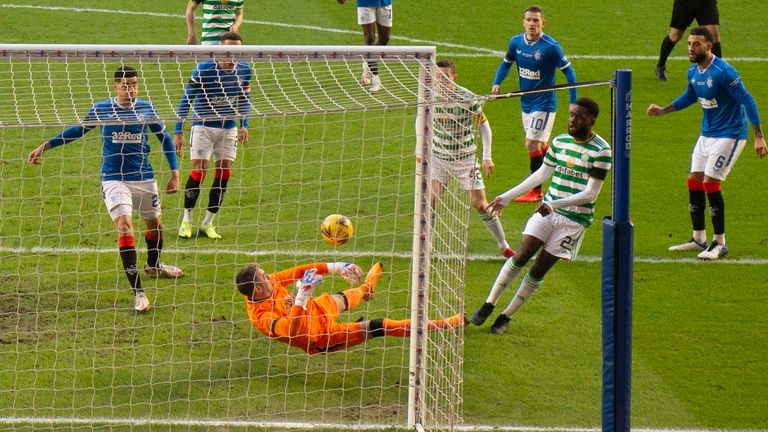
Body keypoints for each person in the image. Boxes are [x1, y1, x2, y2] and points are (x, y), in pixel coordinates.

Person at [27, 66, 184, 312]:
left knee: (155, 225)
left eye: (134, 84)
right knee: (124, 227)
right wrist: (45, 146)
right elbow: (78, 131)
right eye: (126, 85)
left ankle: (154, 265)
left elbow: (164, 140)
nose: (130, 89)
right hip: (113, 179)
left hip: (144, 177)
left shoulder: (147, 108)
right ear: (116, 86)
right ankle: (139, 292)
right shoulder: (102, 109)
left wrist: (175, 173)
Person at [469, 97, 610, 334]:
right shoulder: (560, 141)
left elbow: (591, 193)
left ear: (592, 120)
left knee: (538, 269)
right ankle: (489, 303)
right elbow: (541, 175)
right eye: (571, 115)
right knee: (522, 254)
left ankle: (506, 316)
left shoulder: (601, 151)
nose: (573, 120)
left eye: (579, 117)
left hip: (574, 220)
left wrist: (554, 204)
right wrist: (507, 196)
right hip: (547, 211)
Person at [647, 27, 766, 260]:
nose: (691, 48)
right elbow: (690, 96)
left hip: (730, 134)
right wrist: (664, 110)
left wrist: (759, 136)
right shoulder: (693, 71)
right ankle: (698, 238)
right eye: (689, 43)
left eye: (696, 44)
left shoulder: (724, 72)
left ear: (709, 46)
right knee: (694, 181)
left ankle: (720, 243)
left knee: (711, 183)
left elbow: (747, 99)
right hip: (707, 134)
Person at [236, 262, 466, 354]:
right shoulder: (261, 317)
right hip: (319, 337)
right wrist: (301, 297)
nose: (270, 276)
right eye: (264, 276)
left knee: (345, 297)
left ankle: (367, 287)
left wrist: (337, 267)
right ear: (257, 290)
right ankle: (446, 324)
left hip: (316, 309)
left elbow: (298, 271)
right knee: (378, 326)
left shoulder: (271, 283)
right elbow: (293, 330)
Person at [491, 4, 577, 203]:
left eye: (536, 20)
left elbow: (569, 72)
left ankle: (536, 190)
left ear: (543, 23)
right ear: (524, 22)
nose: (532, 24)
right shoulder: (515, 43)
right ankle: (564, 162)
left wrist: (573, 103)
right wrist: (497, 83)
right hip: (526, 103)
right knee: (540, 145)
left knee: (531, 144)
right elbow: (506, 63)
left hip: (544, 104)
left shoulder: (551, 47)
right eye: (529, 20)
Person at [430, 59, 514, 258]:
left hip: (465, 159)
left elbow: (484, 125)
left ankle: (504, 245)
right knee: (430, 199)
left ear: (454, 77)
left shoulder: (466, 97)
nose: (441, 80)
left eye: (445, 76)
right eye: (438, 77)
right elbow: (420, 120)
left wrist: (486, 156)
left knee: (480, 204)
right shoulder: (429, 96)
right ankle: (427, 246)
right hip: (439, 158)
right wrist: (419, 152)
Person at [175, 32, 252, 239]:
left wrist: (244, 124)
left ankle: (208, 223)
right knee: (199, 171)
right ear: (220, 50)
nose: (232, 56)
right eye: (229, 51)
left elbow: (244, 98)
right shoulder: (205, 68)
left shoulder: (245, 69)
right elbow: (186, 99)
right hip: (203, 126)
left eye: (237, 51)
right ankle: (186, 220)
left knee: (224, 172)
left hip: (228, 128)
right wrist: (178, 131)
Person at [655, 0, 721, 81]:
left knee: (713, 35)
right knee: (675, 35)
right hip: (685, 3)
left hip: (706, 2)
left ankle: (717, 73)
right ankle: (660, 66)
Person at [337, 0, 391, 93]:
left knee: (385, 38)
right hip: (365, 3)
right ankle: (376, 80)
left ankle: (368, 63)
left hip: (385, 2)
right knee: (369, 39)